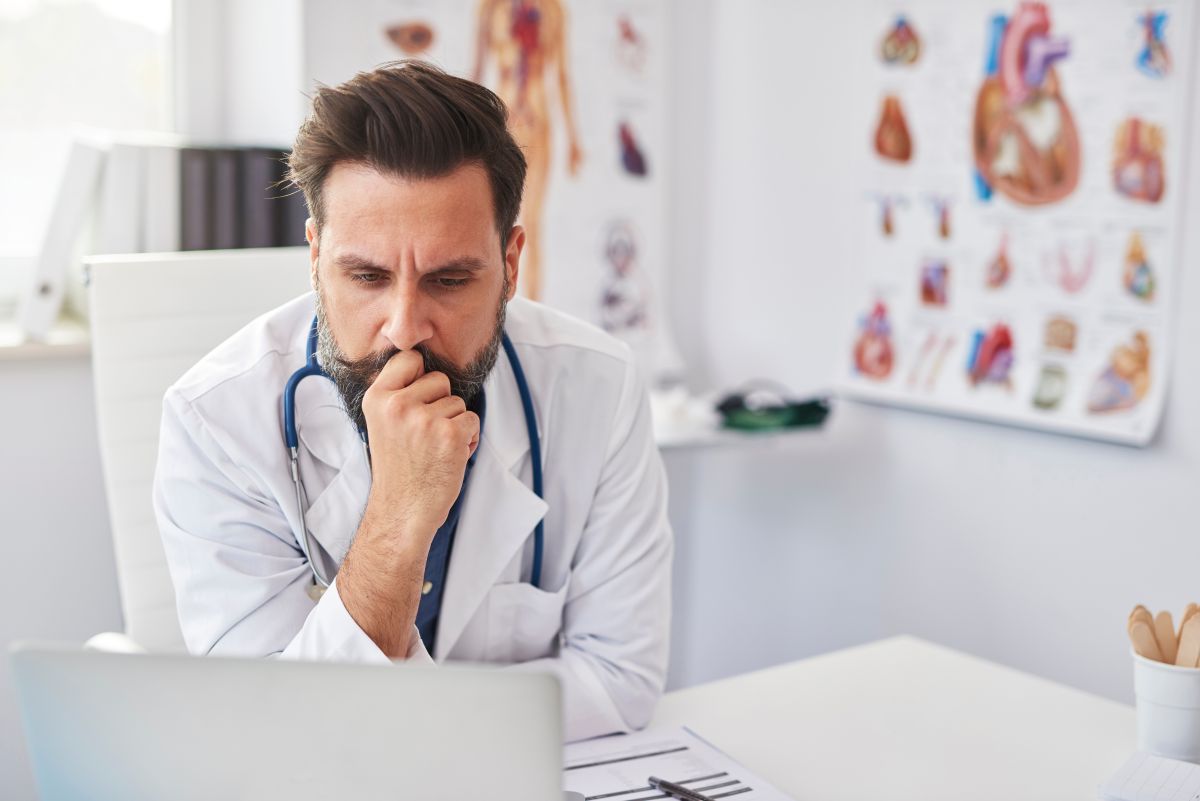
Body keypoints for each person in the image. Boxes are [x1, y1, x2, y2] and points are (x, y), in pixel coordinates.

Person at [153, 60, 671, 741]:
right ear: (314, 255)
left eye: (450, 279)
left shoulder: (599, 387)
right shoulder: (217, 420)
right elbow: (272, 731)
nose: (403, 326)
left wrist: (393, 711)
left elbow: (619, 680)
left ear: (511, 263)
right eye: (366, 275)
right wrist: (399, 514)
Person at [473, 0, 583, 301]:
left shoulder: (555, 11)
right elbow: (476, 75)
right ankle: (492, 307)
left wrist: (574, 137)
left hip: (537, 123)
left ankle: (534, 307)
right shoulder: (489, 8)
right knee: (492, 220)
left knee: (532, 221)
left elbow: (561, 75)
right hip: (502, 125)